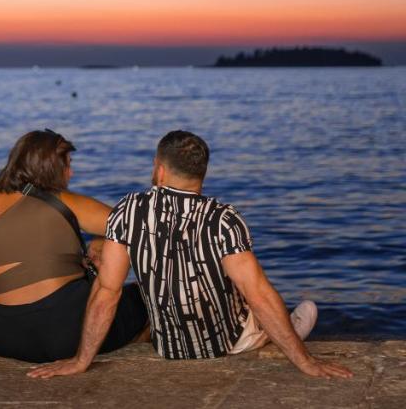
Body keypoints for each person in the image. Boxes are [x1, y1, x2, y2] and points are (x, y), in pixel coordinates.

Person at [29, 130, 353, 380]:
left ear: (159, 170)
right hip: (225, 345)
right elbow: (258, 294)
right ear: (202, 175)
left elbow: (107, 291)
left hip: (168, 347)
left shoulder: (128, 211)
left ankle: (268, 330)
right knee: (264, 294)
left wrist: (81, 360)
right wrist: (306, 362)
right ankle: (276, 334)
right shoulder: (223, 219)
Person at [0, 129, 148, 362]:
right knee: (144, 298)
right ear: (50, 167)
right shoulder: (67, 203)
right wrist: (100, 243)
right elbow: (136, 230)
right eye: (67, 164)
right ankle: (136, 344)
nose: (71, 172)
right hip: (65, 337)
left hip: (3, 340)